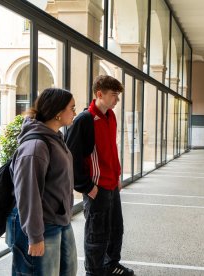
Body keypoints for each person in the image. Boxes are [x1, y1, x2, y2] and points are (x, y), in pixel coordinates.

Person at [65, 75, 134, 276]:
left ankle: (111, 264)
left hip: (112, 185)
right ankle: (94, 272)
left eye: (118, 95)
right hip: (96, 188)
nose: (117, 100)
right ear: (99, 94)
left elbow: (111, 150)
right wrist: (87, 187)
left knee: (115, 230)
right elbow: (72, 156)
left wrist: (117, 176)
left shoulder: (110, 116)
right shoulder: (85, 120)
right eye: (114, 95)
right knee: (97, 235)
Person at [6, 88, 77, 275]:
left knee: (68, 271)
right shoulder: (36, 146)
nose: (75, 113)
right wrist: (35, 236)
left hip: (60, 220)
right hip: (42, 226)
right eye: (72, 108)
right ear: (58, 113)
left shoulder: (56, 139)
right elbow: (28, 194)